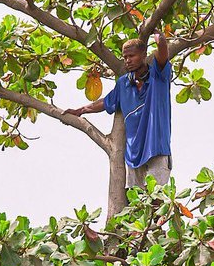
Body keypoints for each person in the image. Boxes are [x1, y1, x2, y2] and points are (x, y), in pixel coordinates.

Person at [67, 31, 173, 190]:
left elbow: (163, 52)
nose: (128, 61)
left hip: (156, 147)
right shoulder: (123, 83)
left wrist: (159, 37)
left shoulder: (158, 76)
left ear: (144, 55)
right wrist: (80, 110)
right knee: (135, 203)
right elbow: (105, 102)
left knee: (156, 199)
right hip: (133, 154)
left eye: (132, 56)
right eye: (125, 57)